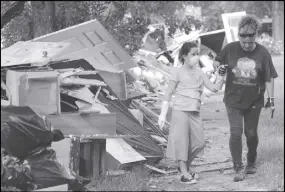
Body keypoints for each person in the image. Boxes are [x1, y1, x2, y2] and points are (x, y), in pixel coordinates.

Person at [213, 14, 278, 182]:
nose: (247, 45)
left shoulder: (263, 53)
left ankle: (251, 162)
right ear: (239, 35)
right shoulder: (230, 48)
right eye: (244, 41)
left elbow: (269, 78)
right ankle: (237, 167)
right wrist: (219, 68)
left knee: (251, 134)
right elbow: (217, 61)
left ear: (255, 35)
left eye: (250, 41)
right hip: (233, 100)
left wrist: (271, 101)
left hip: (254, 101)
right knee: (236, 133)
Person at [158, 41, 227, 184]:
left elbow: (214, 89)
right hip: (180, 111)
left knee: (199, 143)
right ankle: (184, 173)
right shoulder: (177, 71)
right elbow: (169, 93)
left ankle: (184, 169)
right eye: (193, 54)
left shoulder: (199, 73)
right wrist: (163, 114)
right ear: (184, 56)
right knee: (182, 142)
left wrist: (221, 76)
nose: (196, 57)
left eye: (197, 54)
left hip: (194, 112)